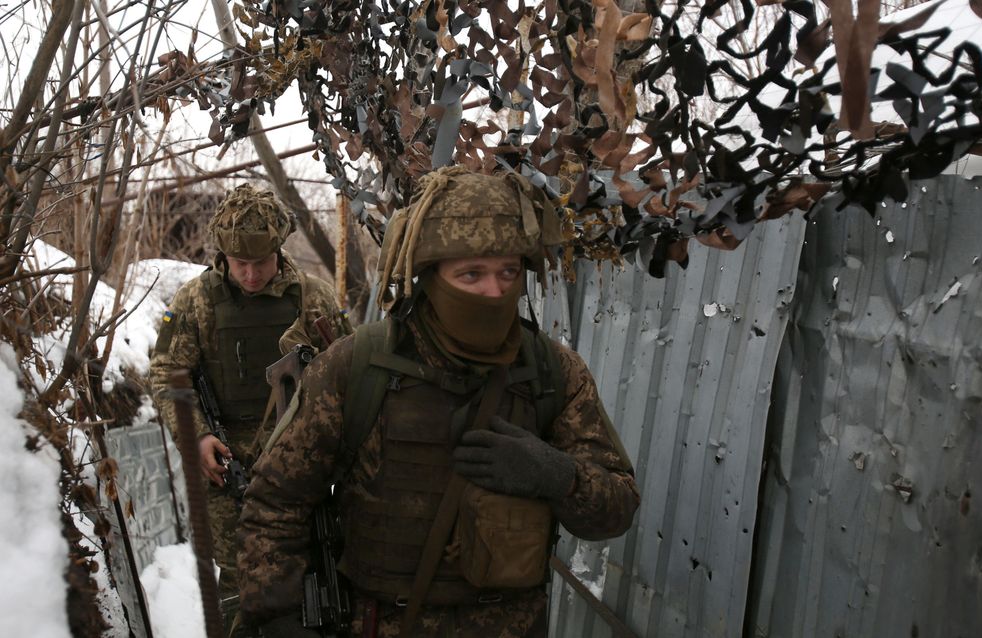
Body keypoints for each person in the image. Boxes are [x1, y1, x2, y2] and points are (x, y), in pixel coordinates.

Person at [238, 166, 640, 638]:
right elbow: (275, 503)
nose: (494, 292)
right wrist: (276, 616)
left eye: (508, 272)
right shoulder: (355, 367)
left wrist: (556, 475)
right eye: (471, 274)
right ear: (429, 276)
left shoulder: (554, 373)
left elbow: (617, 510)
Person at [148, 183, 352, 636]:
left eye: (261, 262)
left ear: (279, 250)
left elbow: (349, 375)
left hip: (305, 464)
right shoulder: (194, 301)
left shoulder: (313, 298)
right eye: (240, 264)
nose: (252, 274)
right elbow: (165, 375)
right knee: (240, 583)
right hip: (229, 470)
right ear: (223, 255)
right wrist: (197, 437)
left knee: (313, 573)